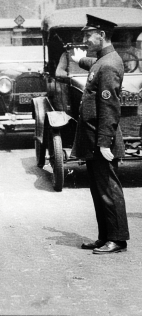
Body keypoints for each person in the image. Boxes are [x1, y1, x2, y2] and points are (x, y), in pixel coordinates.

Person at [70, 14, 130, 254]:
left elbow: (110, 107)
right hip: (94, 139)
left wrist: (104, 143)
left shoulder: (108, 65)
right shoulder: (102, 61)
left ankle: (117, 239)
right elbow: (93, 65)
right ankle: (105, 237)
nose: (85, 39)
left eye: (88, 35)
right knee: (99, 190)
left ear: (101, 35)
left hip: (101, 140)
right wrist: (80, 59)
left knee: (108, 190)